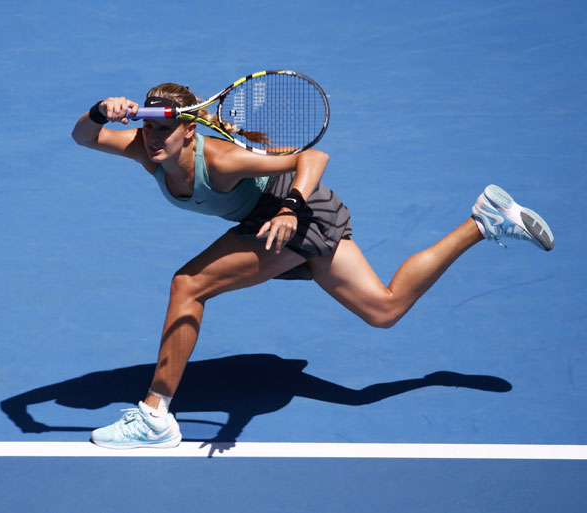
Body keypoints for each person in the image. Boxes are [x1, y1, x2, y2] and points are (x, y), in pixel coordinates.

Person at [70, 82, 554, 449]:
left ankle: (155, 416)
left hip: (296, 217)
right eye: (148, 126)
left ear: (190, 129)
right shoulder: (146, 150)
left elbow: (313, 156)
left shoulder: (221, 160)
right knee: (383, 310)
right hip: (283, 220)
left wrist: (290, 208)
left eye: (164, 129)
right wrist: (99, 111)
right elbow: (84, 136)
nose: (152, 137)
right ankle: (483, 221)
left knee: (188, 284)